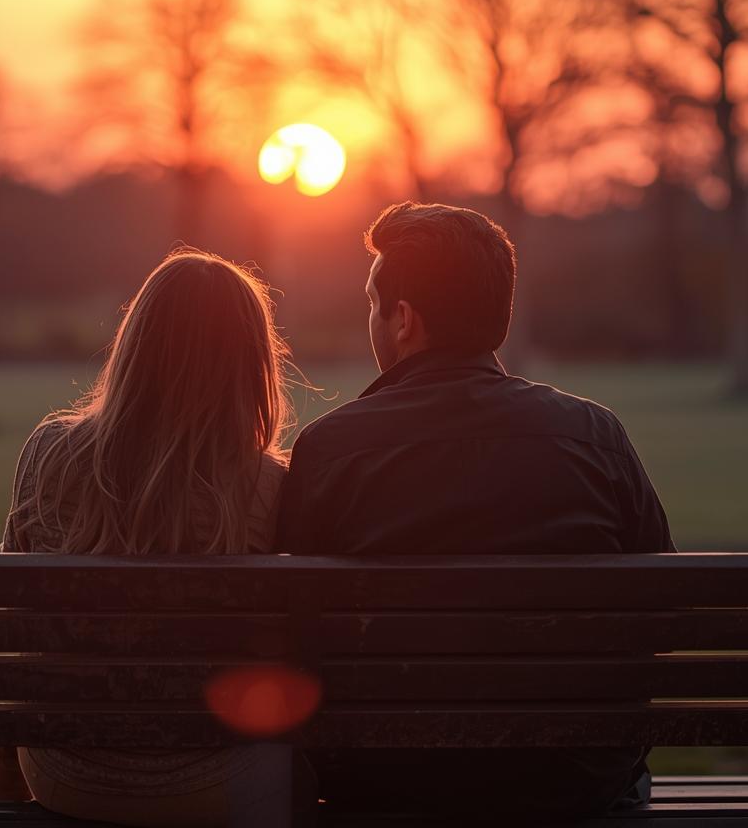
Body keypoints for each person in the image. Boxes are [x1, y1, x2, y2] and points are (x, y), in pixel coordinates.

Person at [276, 201, 675, 817]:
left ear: (403, 319)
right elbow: (664, 611)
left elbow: (293, 633)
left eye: (371, 304)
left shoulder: (331, 450)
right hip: (574, 782)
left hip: (386, 781)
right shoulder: (595, 437)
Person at [0, 249, 311, 827]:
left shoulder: (48, 455)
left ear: (134, 346)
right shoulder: (272, 485)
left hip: (65, 775)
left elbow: (18, 633)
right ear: (251, 364)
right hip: (220, 782)